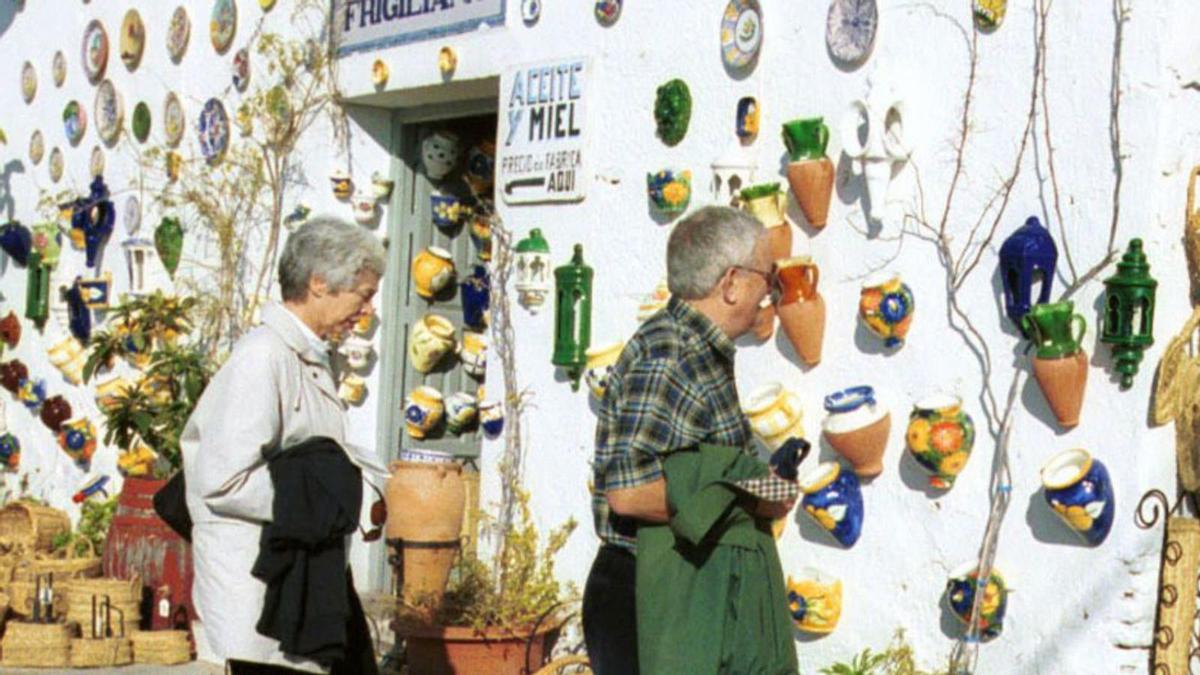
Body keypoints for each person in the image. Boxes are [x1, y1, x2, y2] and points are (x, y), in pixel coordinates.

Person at [583, 206, 799, 675]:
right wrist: (751, 501)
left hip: (683, 592)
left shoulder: (697, 349)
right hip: (650, 600)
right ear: (732, 282)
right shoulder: (671, 354)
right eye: (769, 276)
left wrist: (760, 486)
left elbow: (696, 474)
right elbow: (629, 492)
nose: (772, 292)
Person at [181, 217, 388, 674]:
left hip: (301, 579)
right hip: (260, 590)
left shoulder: (306, 355)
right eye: (364, 293)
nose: (368, 308)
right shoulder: (263, 357)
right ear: (319, 283)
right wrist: (324, 502)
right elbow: (223, 479)